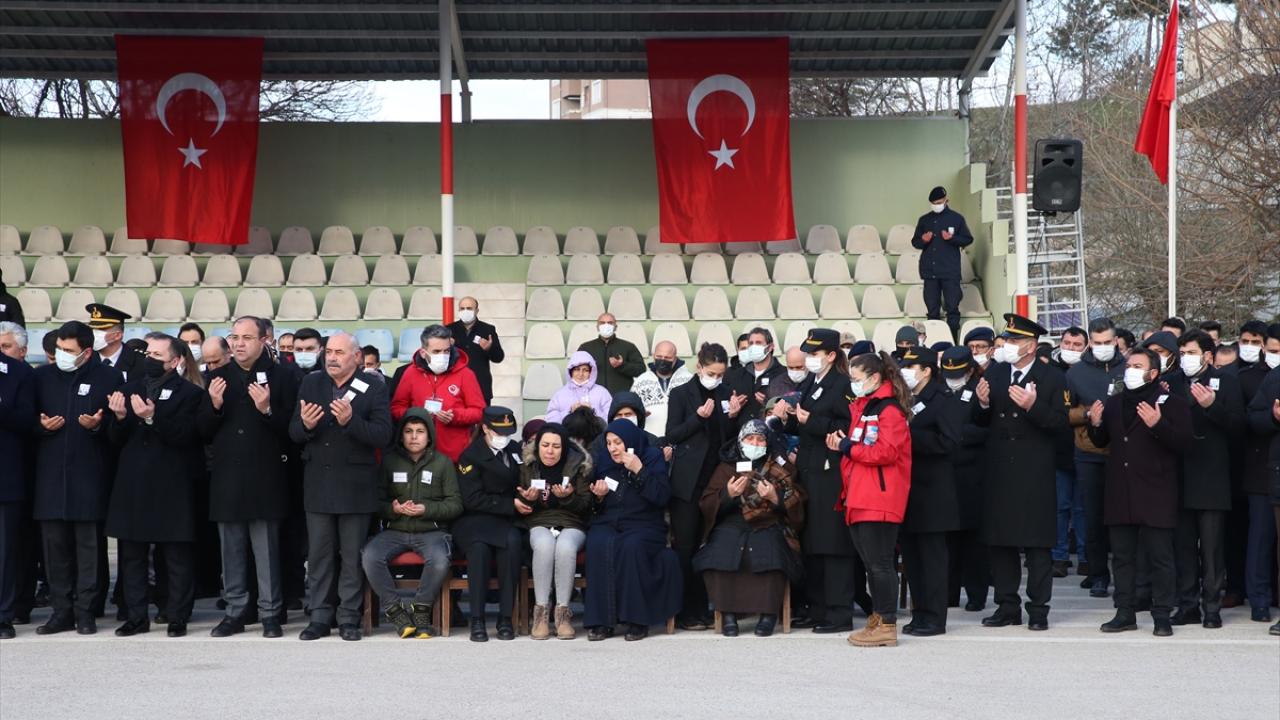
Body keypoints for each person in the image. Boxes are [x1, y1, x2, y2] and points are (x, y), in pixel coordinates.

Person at [197, 316, 302, 639]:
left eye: (246, 337)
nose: (239, 343)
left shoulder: (283, 377)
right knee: (231, 549)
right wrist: (213, 405)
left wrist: (268, 409)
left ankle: (270, 611)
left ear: (263, 341)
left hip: (266, 475)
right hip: (228, 477)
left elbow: (294, 430)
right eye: (234, 337)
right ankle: (235, 610)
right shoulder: (217, 377)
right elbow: (201, 431)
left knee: (266, 548)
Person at [289, 332, 392, 642]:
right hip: (319, 482)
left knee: (351, 556)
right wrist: (306, 426)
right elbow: (294, 431)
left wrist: (351, 422)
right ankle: (320, 616)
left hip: (355, 486)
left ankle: (349, 618)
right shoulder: (312, 383)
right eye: (329, 351)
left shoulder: (373, 385)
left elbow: (383, 435)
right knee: (319, 555)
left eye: (339, 352)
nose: (331, 357)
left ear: (356, 357)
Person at [103, 333, 205, 638]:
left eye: (157, 355)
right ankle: (136, 616)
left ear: (175, 362)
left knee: (175, 556)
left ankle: (177, 614)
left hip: (171, 485)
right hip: (133, 484)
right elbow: (115, 441)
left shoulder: (190, 394)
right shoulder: (128, 388)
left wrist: (151, 419)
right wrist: (120, 418)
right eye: (147, 353)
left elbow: (187, 436)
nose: (150, 359)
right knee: (131, 555)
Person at [974, 313, 1069, 631]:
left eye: (1014, 341)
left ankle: (1038, 608)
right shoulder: (998, 372)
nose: (1008, 346)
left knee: (1037, 543)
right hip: (1000, 466)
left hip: (1034, 468)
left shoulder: (1052, 377)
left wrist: (1033, 406)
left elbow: (1060, 423)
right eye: (1008, 340)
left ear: (1031, 345)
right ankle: (1007, 606)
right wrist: (983, 403)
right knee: (1000, 541)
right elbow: (978, 420)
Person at [1087, 347, 1192, 636]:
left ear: (1153, 372)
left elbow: (1184, 443)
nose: (1130, 370)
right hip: (1120, 490)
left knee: (1160, 557)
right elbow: (1104, 440)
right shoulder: (1116, 401)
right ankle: (1125, 612)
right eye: (1129, 364)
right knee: (1122, 556)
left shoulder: (1172, 402)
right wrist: (1095, 424)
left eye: (1137, 365)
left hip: (1156, 491)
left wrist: (1158, 425)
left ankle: (1162, 615)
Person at [30, 321, 122, 635]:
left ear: (85, 352)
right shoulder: (41, 377)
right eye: (59, 349)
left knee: (88, 550)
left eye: (69, 351)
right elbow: (24, 422)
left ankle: (86, 612)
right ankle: (61, 612)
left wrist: (98, 425)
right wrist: (41, 426)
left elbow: (119, 431)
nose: (62, 355)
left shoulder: (107, 377)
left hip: (89, 476)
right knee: (54, 551)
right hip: (50, 479)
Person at [775, 328, 864, 633]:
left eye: (814, 354)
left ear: (831, 355)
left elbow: (847, 426)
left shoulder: (842, 385)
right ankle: (818, 608)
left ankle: (839, 612)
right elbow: (806, 424)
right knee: (813, 542)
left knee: (833, 543)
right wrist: (789, 420)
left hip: (831, 472)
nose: (809, 359)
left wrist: (810, 421)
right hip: (810, 470)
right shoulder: (815, 381)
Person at [830, 351, 913, 647]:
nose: (852, 384)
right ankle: (879, 616)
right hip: (860, 493)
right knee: (871, 563)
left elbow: (886, 452)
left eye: (856, 379)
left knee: (880, 564)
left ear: (875, 378)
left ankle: (887, 623)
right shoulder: (865, 407)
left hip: (879, 496)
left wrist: (847, 447)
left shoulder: (888, 411)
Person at [694, 419, 805, 637]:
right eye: (750, 438)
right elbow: (706, 501)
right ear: (740, 441)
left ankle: (768, 615)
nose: (755, 443)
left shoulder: (780, 467)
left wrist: (776, 497)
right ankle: (728, 614)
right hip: (732, 522)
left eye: (760, 439)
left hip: (768, 522)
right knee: (719, 553)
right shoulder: (726, 466)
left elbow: (798, 499)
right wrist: (728, 495)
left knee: (771, 554)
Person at [664, 342, 747, 630]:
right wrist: (697, 418)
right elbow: (672, 434)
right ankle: (689, 610)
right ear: (699, 367)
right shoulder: (680, 393)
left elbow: (730, 439)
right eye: (712, 372)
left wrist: (734, 418)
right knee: (686, 548)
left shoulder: (725, 392)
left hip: (716, 479)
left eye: (721, 374)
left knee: (712, 543)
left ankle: (715, 606)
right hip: (687, 483)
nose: (717, 378)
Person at [362, 408, 461, 640]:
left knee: (439, 559)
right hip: (395, 529)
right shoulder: (389, 462)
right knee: (370, 556)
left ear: (429, 436)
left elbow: (455, 504)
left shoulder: (443, 463)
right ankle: (395, 611)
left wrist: (426, 509)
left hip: (431, 531)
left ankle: (421, 609)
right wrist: (393, 509)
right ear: (401, 435)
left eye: (419, 431)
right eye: (408, 431)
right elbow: (377, 501)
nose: (414, 436)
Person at [584, 419, 681, 641]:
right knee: (597, 542)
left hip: (645, 524)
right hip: (609, 523)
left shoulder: (652, 457)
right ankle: (602, 622)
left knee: (631, 546)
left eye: (617, 442)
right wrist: (598, 498)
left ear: (630, 440)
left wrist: (639, 470)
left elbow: (661, 497)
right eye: (609, 443)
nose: (613, 448)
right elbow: (597, 507)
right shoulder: (605, 462)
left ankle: (636, 620)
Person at [1172, 330, 1242, 628]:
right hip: (1179, 474)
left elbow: (1239, 426)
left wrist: (1212, 406)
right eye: (1182, 352)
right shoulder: (1173, 382)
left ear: (1208, 355)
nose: (1185, 358)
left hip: (1212, 475)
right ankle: (1187, 604)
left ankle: (1211, 607)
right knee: (1184, 546)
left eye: (1190, 352)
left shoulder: (1227, 382)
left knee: (1211, 548)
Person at [896, 346, 963, 636]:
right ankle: (919, 612)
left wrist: (909, 437)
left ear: (926, 371)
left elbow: (949, 441)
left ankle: (936, 617)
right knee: (912, 557)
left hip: (934, 489)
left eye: (911, 368)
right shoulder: (906, 399)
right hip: (908, 489)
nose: (905, 373)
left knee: (933, 557)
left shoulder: (942, 399)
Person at [1065, 317, 1126, 598]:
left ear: (1116, 341)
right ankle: (1098, 573)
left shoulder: (1129, 367)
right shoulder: (1075, 373)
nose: (1102, 347)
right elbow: (1065, 412)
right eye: (1097, 343)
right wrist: (1088, 414)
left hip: (1124, 452)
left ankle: (1126, 573)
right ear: (1090, 342)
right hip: (1089, 451)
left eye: (1107, 342)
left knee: (1122, 516)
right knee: (1092, 517)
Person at [454, 407, 524, 642]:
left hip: (507, 520)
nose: (503, 436)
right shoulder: (470, 456)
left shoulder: (516, 450)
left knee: (513, 544)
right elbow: (473, 499)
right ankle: (477, 619)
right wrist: (510, 504)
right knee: (479, 551)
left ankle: (506, 618)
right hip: (477, 520)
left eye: (507, 431)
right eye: (498, 431)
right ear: (485, 428)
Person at [519, 423, 593, 640]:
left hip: (572, 522)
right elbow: (520, 501)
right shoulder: (526, 466)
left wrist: (567, 498)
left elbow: (586, 504)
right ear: (537, 446)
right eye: (545, 445)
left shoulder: (579, 466)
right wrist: (528, 500)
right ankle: (541, 613)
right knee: (544, 545)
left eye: (556, 446)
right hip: (539, 521)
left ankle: (562, 614)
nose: (550, 451)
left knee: (565, 547)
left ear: (564, 448)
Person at [940, 346, 990, 611]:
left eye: (958, 372)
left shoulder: (981, 388)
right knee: (949, 539)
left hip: (973, 472)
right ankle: (949, 592)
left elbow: (987, 427)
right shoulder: (942, 389)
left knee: (973, 541)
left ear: (969, 370)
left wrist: (957, 435)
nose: (952, 377)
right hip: (946, 472)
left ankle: (976, 594)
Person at [390, 324, 485, 462]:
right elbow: (396, 408)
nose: (443, 356)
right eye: (436, 351)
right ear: (423, 353)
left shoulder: (466, 374)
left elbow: (479, 411)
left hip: (455, 456)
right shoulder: (410, 373)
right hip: (418, 455)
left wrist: (455, 416)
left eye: (446, 351)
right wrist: (417, 415)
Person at [1239, 322, 1280, 622]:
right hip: (1263, 470)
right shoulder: (1254, 378)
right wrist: (1274, 417)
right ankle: (1260, 600)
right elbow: (1251, 420)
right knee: (1261, 539)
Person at [0, 324, 35, 639]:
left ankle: (3, 615)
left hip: (6, 476)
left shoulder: (19, 374)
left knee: (5, 552)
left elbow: (27, 420)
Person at [910, 186, 973, 338]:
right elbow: (915, 242)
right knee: (932, 310)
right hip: (929, 272)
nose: (936, 205)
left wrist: (952, 239)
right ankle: (933, 340)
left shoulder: (956, 218)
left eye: (939, 202)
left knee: (952, 308)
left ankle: (952, 339)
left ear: (946, 201)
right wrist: (923, 240)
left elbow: (968, 238)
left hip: (950, 272)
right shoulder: (924, 220)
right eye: (933, 203)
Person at [630, 340, 694, 438]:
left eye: (667, 357)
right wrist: (639, 414)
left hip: (682, 439)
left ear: (675, 358)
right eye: (659, 357)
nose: (663, 360)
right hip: (649, 439)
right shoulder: (641, 381)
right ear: (653, 355)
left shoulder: (688, 380)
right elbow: (630, 410)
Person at [448, 296, 506, 404]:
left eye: (469, 308)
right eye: (462, 308)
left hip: (480, 384)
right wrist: (447, 347)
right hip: (455, 384)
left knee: (482, 419)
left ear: (477, 311)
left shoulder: (488, 329)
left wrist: (489, 349)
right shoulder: (449, 329)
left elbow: (499, 357)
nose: (465, 311)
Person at [577, 313, 645, 394]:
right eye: (602, 323)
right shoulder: (585, 348)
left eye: (610, 323)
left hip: (621, 398)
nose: (606, 325)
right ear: (597, 327)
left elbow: (641, 370)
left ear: (615, 327)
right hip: (593, 396)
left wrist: (622, 366)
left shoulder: (628, 346)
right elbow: (574, 372)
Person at [727, 327, 786, 419]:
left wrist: (769, 406)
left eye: (758, 343)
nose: (753, 347)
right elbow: (727, 416)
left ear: (770, 347)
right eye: (751, 343)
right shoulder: (737, 375)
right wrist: (732, 413)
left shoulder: (784, 374)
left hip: (771, 431)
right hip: (743, 431)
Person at [544, 351, 612, 424]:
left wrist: (592, 411)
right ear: (571, 371)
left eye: (585, 370)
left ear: (591, 373)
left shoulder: (602, 392)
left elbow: (611, 418)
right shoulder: (560, 394)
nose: (580, 374)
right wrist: (569, 411)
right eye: (577, 369)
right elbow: (550, 420)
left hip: (596, 434)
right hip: (568, 434)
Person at [85, 303, 139, 380]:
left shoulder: (139, 363)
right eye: (93, 329)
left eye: (100, 330)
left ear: (117, 335)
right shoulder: (85, 359)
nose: (94, 334)